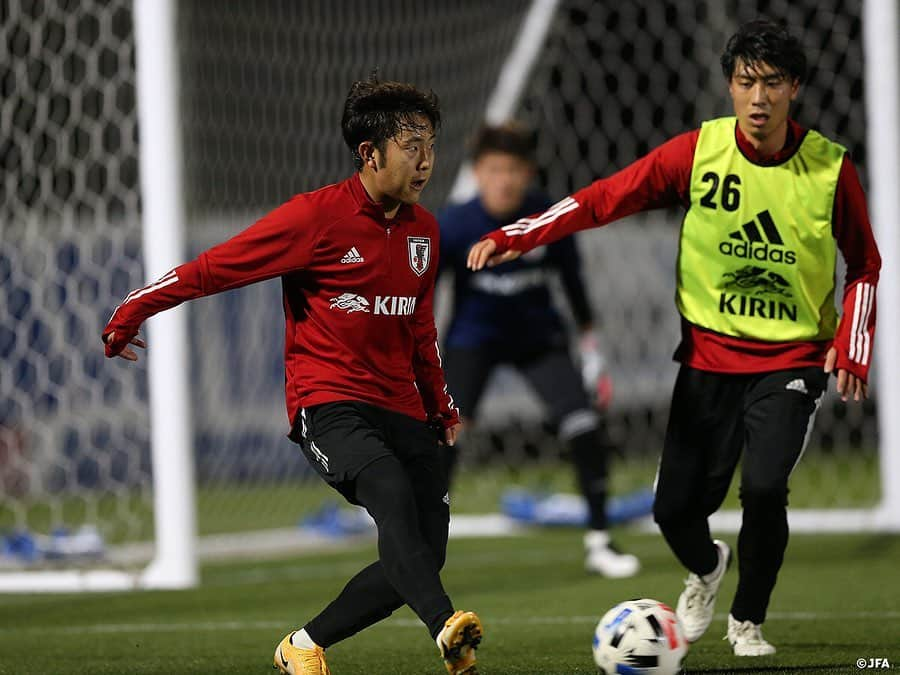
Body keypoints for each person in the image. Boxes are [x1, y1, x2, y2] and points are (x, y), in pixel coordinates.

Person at [468, 19, 880, 657]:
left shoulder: (829, 168)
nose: (759, 98)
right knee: (671, 513)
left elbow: (866, 264)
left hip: (791, 359)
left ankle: (747, 621)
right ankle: (709, 566)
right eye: (746, 83)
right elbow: (602, 199)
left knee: (765, 489)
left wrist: (852, 343)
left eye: (773, 83)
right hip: (709, 358)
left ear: (795, 88)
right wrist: (516, 235)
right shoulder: (697, 152)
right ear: (730, 86)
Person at [103, 77, 483, 675]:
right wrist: (133, 309)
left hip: (402, 406)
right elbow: (213, 269)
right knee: (389, 495)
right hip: (328, 402)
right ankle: (446, 629)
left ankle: (303, 645)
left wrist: (441, 405)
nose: (426, 161)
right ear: (370, 153)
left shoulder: (424, 232)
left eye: (431, 146)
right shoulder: (315, 218)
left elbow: (418, 329)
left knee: (422, 552)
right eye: (411, 147)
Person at [438, 122, 639, 578]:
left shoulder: (546, 217)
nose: (503, 180)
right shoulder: (454, 225)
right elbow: (426, 290)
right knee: (445, 433)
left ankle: (601, 540)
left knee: (584, 426)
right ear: (477, 173)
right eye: (493, 170)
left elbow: (573, 283)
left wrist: (591, 348)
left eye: (513, 170)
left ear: (527, 173)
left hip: (538, 340)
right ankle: (427, 543)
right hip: (473, 340)